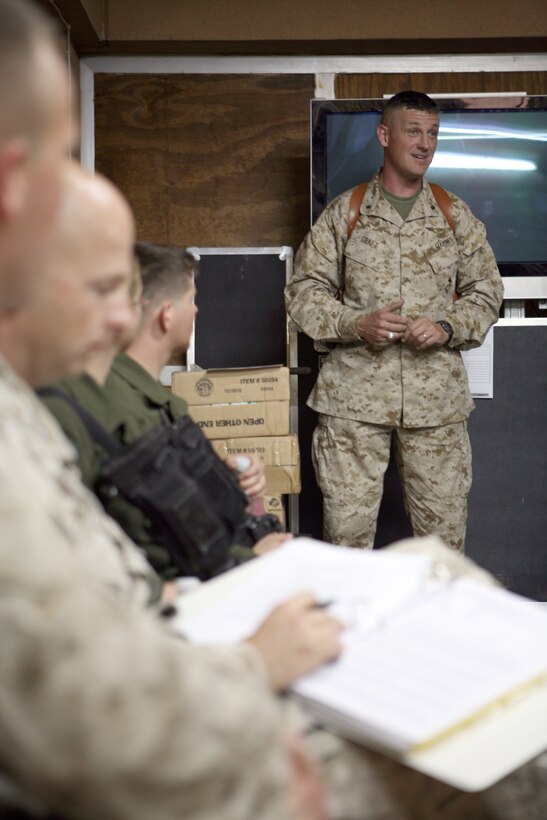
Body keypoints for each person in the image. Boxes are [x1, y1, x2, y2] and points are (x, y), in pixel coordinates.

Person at [285, 90, 504, 552]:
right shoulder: (345, 213)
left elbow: (487, 292)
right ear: (385, 135)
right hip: (353, 405)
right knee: (347, 540)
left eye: (433, 134)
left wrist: (447, 327)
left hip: (435, 406)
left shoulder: (452, 214)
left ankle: (436, 626)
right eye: (413, 131)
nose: (425, 144)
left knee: (443, 544)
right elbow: (303, 293)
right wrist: (355, 324)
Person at [41, 241, 290, 580]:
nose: (197, 310)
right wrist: (249, 561)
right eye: (191, 299)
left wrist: (225, 484)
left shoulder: (152, 396)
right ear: (166, 314)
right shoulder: (95, 403)